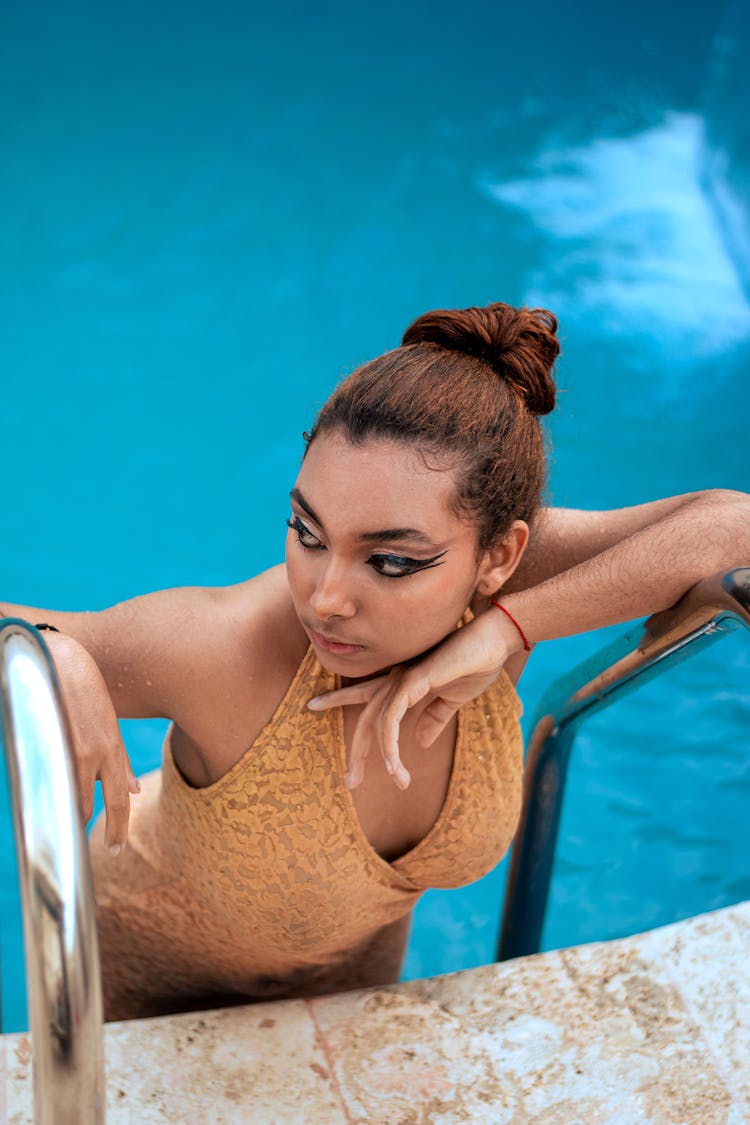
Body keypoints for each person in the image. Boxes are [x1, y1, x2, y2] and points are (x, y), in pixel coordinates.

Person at [2, 302, 748, 1021]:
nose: (325, 598)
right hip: (135, 998)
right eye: (308, 530)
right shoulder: (223, 650)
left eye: (390, 562)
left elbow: (734, 527)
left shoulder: (499, 601)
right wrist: (48, 654)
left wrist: (508, 631)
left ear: (499, 557)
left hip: (346, 1000)